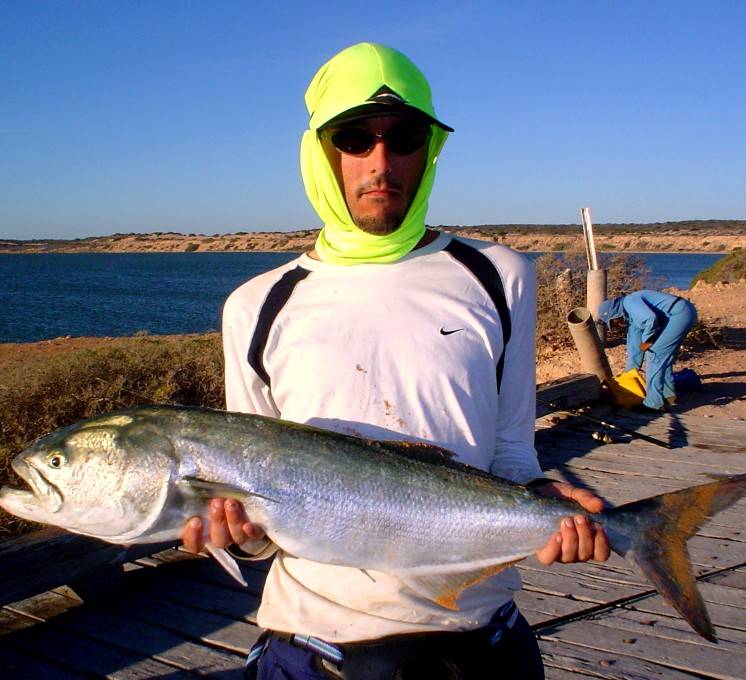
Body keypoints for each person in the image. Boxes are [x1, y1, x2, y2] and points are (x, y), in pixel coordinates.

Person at [182, 42, 610, 679]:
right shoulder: (256, 306)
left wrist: (550, 500)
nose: (381, 162)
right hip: (313, 648)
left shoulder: (499, 277)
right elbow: (261, 510)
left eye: (405, 135)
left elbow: (512, 456)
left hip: (480, 642)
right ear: (318, 153)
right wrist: (235, 533)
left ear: (430, 149)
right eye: (353, 137)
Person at [598, 290, 698, 413]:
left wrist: (648, 340)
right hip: (682, 314)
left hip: (679, 314)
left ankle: (653, 403)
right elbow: (635, 348)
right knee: (663, 356)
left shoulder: (630, 301)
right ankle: (669, 395)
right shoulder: (632, 318)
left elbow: (650, 319)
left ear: (615, 313)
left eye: (613, 321)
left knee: (655, 354)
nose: (617, 324)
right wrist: (628, 375)